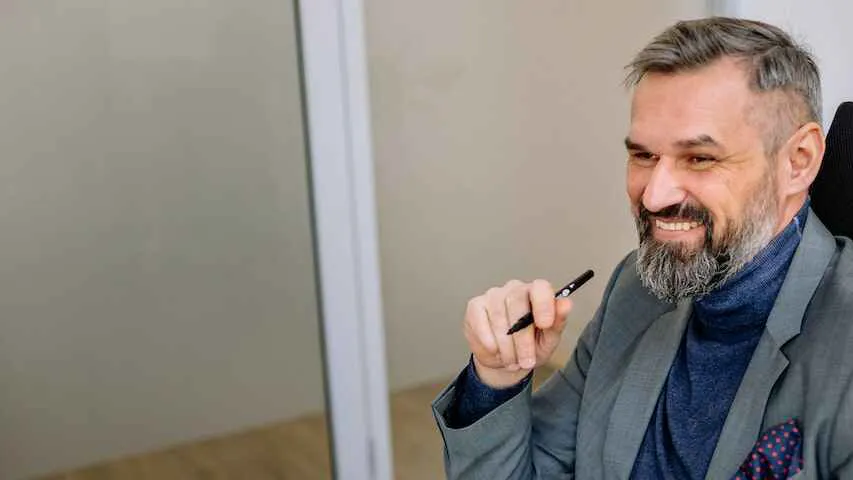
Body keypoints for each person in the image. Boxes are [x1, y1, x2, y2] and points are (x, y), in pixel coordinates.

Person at [432, 17, 853, 479]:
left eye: (699, 158)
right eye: (643, 156)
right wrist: (498, 376)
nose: (654, 196)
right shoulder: (635, 287)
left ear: (799, 161)